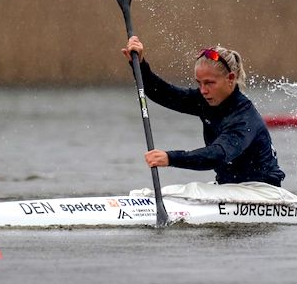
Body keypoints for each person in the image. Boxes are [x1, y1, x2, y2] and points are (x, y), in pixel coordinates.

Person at [121, 36, 285, 187]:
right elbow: (164, 94)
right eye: (199, 83)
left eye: (209, 83)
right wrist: (139, 64)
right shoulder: (205, 100)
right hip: (230, 188)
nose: (203, 90)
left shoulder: (244, 117)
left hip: (263, 191)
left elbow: (217, 155)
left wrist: (170, 158)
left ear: (230, 78)